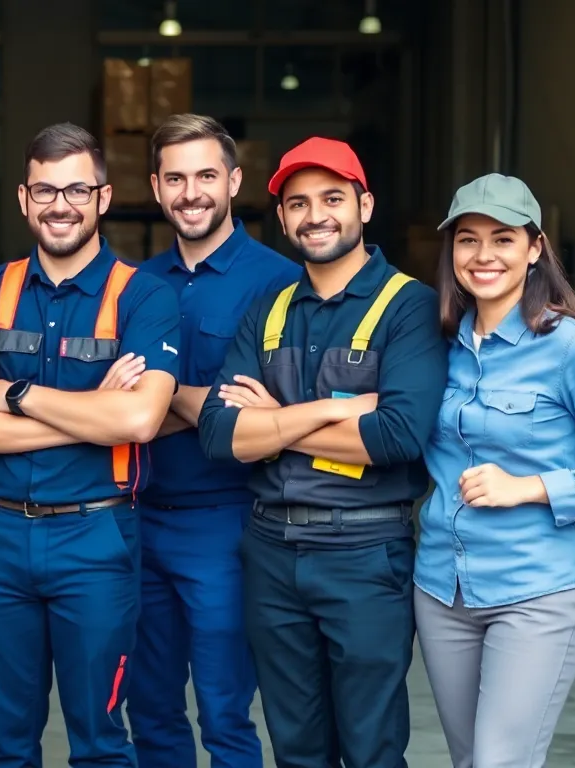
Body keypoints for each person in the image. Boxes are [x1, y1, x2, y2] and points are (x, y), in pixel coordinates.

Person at [197, 137, 447, 768]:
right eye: (298, 202)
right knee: (297, 749)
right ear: (280, 217)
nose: (315, 215)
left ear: (365, 205)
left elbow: (396, 436)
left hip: (365, 557)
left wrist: (271, 423)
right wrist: (334, 410)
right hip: (272, 555)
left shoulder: (409, 307)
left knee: (371, 746)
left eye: (332, 198)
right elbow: (221, 436)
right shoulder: (268, 310)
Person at [0, 122, 181, 768]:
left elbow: (138, 421)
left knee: (100, 742)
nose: (60, 205)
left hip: (96, 539)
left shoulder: (146, 296)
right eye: (45, 190)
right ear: (24, 199)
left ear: (103, 197)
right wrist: (91, 409)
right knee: (9, 745)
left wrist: (14, 394)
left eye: (77, 189)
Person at [414, 174, 575, 767]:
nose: (483, 256)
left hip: (536, 592)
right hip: (444, 589)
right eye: (467, 240)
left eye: (503, 239)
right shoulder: (436, 346)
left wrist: (532, 486)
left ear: (535, 248)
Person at [127, 114, 300, 768]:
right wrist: (207, 403)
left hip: (227, 523)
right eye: (175, 178)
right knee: (150, 712)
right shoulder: (135, 284)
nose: (191, 192)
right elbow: (113, 407)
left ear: (233, 181)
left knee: (227, 714)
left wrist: (157, 397)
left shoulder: (277, 282)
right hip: (138, 519)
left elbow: (272, 416)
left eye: (205, 176)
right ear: (156, 186)